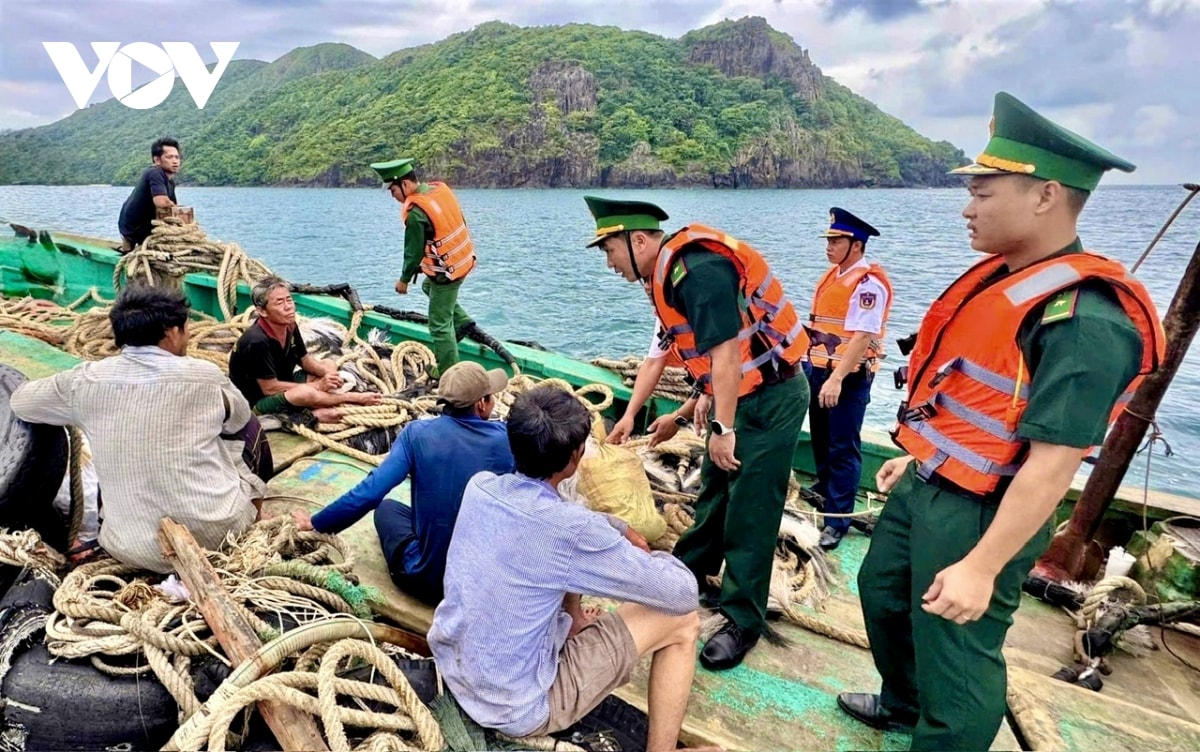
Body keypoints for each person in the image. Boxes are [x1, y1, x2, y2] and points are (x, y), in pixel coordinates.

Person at [837, 91, 1165, 751]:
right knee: (883, 594)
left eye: (984, 192)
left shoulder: (1086, 321)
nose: (967, 206)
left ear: (1045, 196)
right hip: (930, 485)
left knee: (957, 652)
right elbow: (973, 400)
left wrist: (983, 567)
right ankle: (903, 704)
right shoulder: (1002, 280)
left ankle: (943, 732)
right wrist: (921, 457)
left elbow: (1052, 466)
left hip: (982, 513)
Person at [583, 196, 809, 670]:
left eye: (610, 251)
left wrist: (722, 428)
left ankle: (742, 618)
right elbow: (685, 357)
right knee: (715, 488)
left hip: (770, 399)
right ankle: (688, 573)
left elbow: (728, 357)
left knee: (751, 505)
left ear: (638, 240)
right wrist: (681, 410)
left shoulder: (697, 272)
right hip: (737, 395)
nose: (609, 263)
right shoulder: (664, 280)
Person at [428, 385, 700, 751]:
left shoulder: (480, 488)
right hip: (514, 708)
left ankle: (570, 626)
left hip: (453, 667)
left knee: (559, 570)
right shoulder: (572, 531)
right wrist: (647, 554)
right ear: (575, 456)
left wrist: (614, 529)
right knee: (682, 620)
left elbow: (554, 535)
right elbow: (682, 594)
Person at [10, 285, 267, 572]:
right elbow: (240, 420)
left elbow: (20, 401)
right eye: (186, 327)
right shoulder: (205, 375)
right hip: (216, 538)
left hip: (128, 547)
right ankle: (255, 513)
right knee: (249, 429)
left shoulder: (83, 381)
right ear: (172, 332)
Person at [291, 361, 514, 603]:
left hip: (425, 581)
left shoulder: (417, 433)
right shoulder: (509, 441)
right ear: (481, 404)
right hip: (480, 587)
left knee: (387, 508)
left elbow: (370, 493)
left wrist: (315, 523)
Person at [805, 208, 893, 551]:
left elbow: (861, 336)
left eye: (836, 240)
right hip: (820, 368)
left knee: (843, 445)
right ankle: (826, 493)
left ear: (856, 245)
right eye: (828, 239)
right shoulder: (833, 276)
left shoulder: (868, 284)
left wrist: (837, 378)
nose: (829, 246)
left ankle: (838, 518)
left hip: (847, 375)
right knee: (822, 437)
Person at [371, 158, 477, 378]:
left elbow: (412, 252)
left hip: (446, 275)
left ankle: (447, 372)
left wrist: (403, 280)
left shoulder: (416, 214)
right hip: (462, 261)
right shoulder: (438, 192)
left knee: (439, 325)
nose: (393, 196)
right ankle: (463, 321)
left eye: (393, 190)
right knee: (428, 287)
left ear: (405, 185)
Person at [228, 275, 380, 422]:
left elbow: (305, 361)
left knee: (329, 364)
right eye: (279, 303)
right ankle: (351, 399)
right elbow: (270, 388)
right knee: (305, 392)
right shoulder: (256, 341)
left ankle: (319, 400)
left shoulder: (289, 325)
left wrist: (329, 375)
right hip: (256, 401)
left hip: (284, 381)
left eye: (289, 300)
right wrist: (317, 385)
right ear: (262, 311)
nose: (288, 307)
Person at [605, 314, 699, 447]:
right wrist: (629, 415)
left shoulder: (709, 313)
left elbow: (719, 378)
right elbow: (653, 363)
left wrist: (678, 417)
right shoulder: (666, 313)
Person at [118, 137, 181, 251]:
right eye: (169, 157)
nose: (175, 161)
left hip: (147, 226)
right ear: (157, 160)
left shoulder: (170, 182)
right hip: (133, 227)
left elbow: (170, 206)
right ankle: (128, 246)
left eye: (177, 157)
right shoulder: (154, 172)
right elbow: (161, 202)